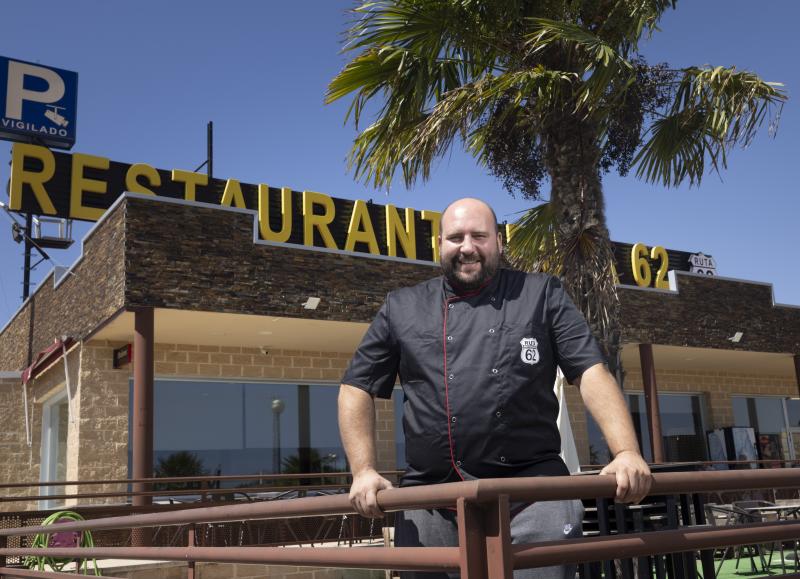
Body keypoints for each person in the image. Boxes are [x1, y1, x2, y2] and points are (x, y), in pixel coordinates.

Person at [338, 197, 651, 578]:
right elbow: (356, 386)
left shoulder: (542, 294)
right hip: (431, 499)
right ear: (439, 244)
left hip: (534, 497)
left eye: (479, 236)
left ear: (499, 242)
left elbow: (590, 371)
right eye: (455, 237)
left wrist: (626, 452)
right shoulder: (402, 306)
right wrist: (363, 469)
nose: (467, 246)